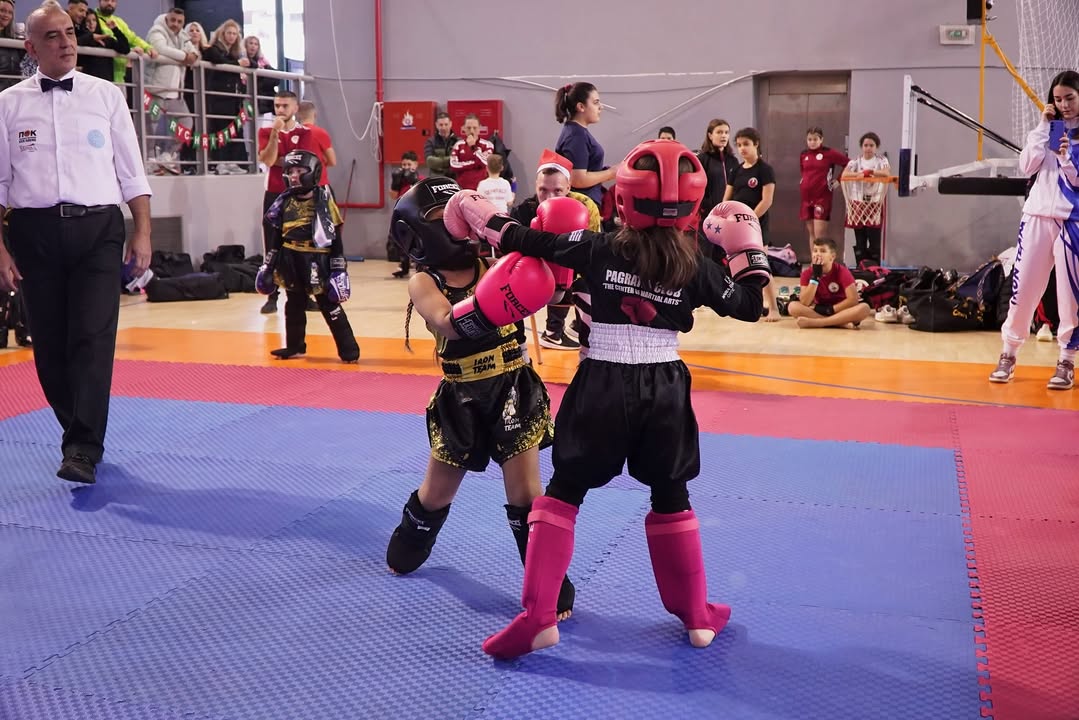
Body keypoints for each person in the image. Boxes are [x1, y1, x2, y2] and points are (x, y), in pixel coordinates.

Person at [442, 139, 769, 659]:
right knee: (671, 493)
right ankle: (697, 618)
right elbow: (751, 305)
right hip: (664, 388)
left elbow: (523, 238)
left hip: (601, 383)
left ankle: (539, 618)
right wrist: (746, 248)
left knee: (565, 491)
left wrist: (478, 212)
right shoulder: (695, 267)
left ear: (623, 199)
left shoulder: (596, 248)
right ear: (692, 206)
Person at [385, 177, 575, 620]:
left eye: (462, 211)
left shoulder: (493, 261)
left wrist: (556, 265)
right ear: (418, 232)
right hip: (462, 397)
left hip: (513, 386)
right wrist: (505, 293)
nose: (457, 223)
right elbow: (447, 322)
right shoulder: (424, 281)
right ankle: (413, 538)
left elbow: (552, 295)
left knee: (527, 494)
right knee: (435, 495)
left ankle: (547, 580)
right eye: (444, 216)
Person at [0, 4, 152, 485]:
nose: (66, 42)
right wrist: (0, 249)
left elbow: (132, 171)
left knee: (92, 337)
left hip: (98, 230)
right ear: (31, 47)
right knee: (49, 347)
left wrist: (143, 231)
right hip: (33, 233)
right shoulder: (8, 104)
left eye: (69, 32)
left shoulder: (106, 95)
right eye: (52, 36)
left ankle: (83, 447)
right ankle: (77, 431)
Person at [989, 70, 1079, 390]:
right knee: (1023, 289)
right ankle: (1008, 353)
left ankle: (1066, 360)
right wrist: (1043, 128)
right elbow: (1027, 166)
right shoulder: (1046, 129)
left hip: (1073, 221)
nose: (1064, 104)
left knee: (1070, 296)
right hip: (1037, 217)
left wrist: (1066, 157)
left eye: (1070, 98)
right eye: (1058, 99)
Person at [256, 150, 359, 363]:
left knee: (329, 304)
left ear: (313, 172)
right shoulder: (283, 201)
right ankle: (295, 346)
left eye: (299, 171)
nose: (294, 176)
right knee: (293, 304)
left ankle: (349, 350)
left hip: (316, 260)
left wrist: (338, 268)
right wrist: (268, 265)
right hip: (290, 258)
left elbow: (335, 236)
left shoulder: (324, 200)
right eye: (290, 171)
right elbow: (276, 236)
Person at [510, 149, 601, 351]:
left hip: (574, 279)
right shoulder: (523, 212)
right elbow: (511, 255)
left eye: (557, 191)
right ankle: (520, 353)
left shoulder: (586, 207)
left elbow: (595, 252)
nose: (549, 198)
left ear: (569, 186)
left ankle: (587, 350)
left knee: (594, 282)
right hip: (533, 279)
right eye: (543, 190)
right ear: (535, 186)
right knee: (506, 285)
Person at [724, 127, 778, 320]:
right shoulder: (736, 170)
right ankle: (746, 305)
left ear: (756, 144)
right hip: (736, 226)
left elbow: (767, 200)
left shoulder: (765, 170)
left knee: (761, 264)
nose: (742, 149)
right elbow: (726, 199)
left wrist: (749, 220)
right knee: (739, 265)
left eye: (746, 144)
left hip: (756, 225)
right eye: (739, 145)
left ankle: (774, 308)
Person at [554, 82, 618, 207]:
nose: (601, 107)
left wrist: (608, 171)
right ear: (581, 107)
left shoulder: (577, 131)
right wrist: (611, 173)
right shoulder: (576, 135)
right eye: (596, 102)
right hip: (582, 205)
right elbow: (578, 179)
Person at [786, 237, 872, 329]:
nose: (818, 254)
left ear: (832, 256)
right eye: (815, 251)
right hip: (819, 309)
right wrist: (815, 277)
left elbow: (853, 300)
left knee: (864, 308)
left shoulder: (842, 271)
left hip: (840, 310)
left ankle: (818, 322)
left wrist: (830, 309)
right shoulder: (807, 273)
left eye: (823, 251)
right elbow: (805, 302)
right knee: (792, 307)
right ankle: (839, 323)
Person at [840, 132, 891, 266]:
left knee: (874, 240)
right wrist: (860, 174)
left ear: (876, 147)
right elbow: (845, 174)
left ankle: (875, 268)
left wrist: (871, 172)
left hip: (874, 203)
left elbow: (886, 173)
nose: (868, 148)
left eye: (871, 145)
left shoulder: (881, 160)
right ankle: (861, 267)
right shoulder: (855, 162)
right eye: (866, 145)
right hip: (858, 203)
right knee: (860, 241)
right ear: (861, 147)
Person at [697, 118, 739, 259]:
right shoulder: (702, 159)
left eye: (726, 132)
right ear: (710, 135)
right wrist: (706, 205)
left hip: (729, 218)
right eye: (719, 132)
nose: (723, 136)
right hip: (709, 217)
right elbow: (698, 188)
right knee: (706, 255)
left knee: (725, 256)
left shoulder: (733, 160)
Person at [799, 127, 849, 245]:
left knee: (819, 235)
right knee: (811, 233)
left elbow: (849, 163)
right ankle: (813, 257)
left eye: (815, 139)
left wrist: (839, 180)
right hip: (806, 198)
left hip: (822, 198)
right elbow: (803, 171)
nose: (812, 142)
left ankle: (822, 257)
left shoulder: (829, 153)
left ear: (821, 139)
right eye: (809, 139)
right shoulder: (804, 154)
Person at [390, 150, 420, 278]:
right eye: (403, 165)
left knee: (417, 240)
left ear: (416, 165)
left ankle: (419, 265)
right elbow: (393, 196)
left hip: (415, 213)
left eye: (409, 164)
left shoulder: (420, 178)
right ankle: (404, 266)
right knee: (400, 240)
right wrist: (395, 183)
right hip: (401, 212)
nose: (406, 167)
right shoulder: (400, 179)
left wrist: (414, 181)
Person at [449, 113, 494, 190]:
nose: (472, 131)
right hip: (462, 188)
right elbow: (453, 165)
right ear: (464, 128)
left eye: (475, 128)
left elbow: (485, 163)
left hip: (481, 188)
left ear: (479, 128)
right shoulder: (458, 145)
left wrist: (474, 147)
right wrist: (474, 163)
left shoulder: (487, 145)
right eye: (468, 128)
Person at [424, 111, 457, 178]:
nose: (443, 128)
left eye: (446, 124)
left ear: (450, 124)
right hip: (436, 178)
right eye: (441, 125)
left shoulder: (458, 141)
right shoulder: (430, 142)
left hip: (454, 178)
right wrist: (450, 160)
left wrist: (438, 161)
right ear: (436, 125)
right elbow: (429, 161)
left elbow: (459, 160)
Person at [0, 0, 24, 92]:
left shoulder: (15, 39)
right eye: (2, 10)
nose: (6, 15)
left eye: (10, 12)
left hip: (14, 89)